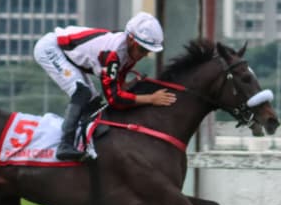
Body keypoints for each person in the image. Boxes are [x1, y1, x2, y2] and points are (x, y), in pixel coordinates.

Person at [33, 11, 177, 161]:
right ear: (131, 39)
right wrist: (150, 99)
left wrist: (132, 84)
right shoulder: (113, 54)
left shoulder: (129, 53)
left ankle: (88, 143)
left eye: (147, 51)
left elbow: (118, 85)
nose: (144, 55)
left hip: (67, 54)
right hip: (51, 49)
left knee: (95, 103)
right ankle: (64, 145)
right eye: (142, 49)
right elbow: (114, 99)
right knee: (82, 93)